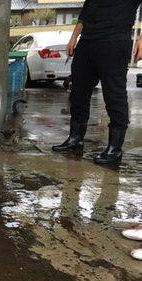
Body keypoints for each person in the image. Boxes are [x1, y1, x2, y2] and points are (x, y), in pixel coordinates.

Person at [52, 0, 142, 165]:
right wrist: (74, 37)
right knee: (78, 92)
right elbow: (86, 11)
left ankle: (114, 148)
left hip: (114, 42)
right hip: (87, 41)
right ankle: (75, 139)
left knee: (114, 96)